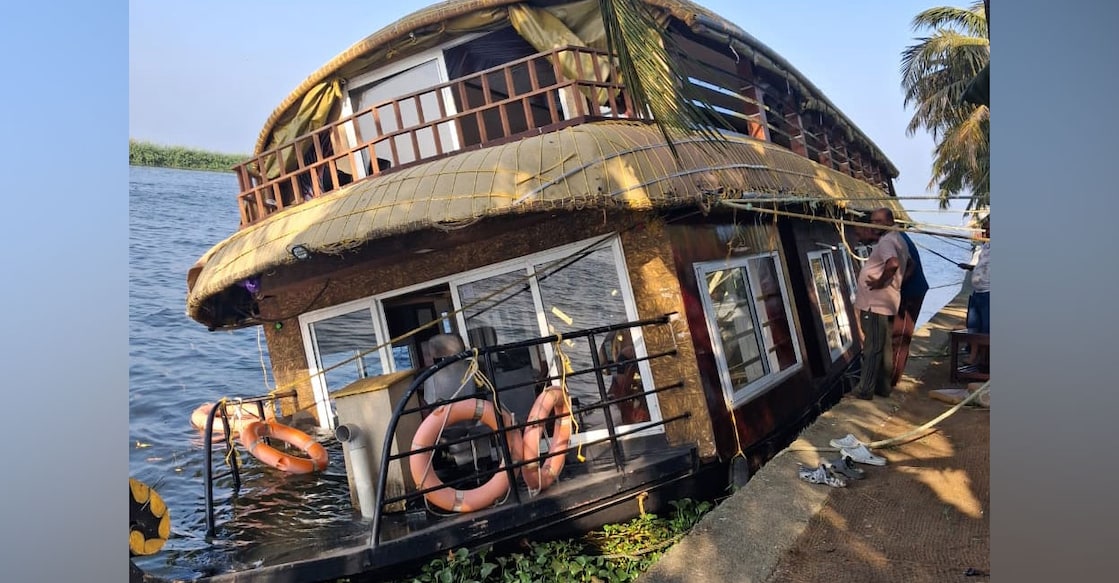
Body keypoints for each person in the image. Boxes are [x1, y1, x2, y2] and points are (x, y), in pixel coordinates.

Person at [852, 208, 909, 400]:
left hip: (875, 304)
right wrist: (895, 285)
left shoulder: (886, 242)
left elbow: (892, 264)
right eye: (873, 221)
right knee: (884, 347)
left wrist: (881, 282)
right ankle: (883, 388)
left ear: (888, 221)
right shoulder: (898, 239)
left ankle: (865, 389)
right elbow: (909, 266)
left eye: (878, 221)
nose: (874, 225)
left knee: (872, 347)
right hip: (888, 301)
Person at [891, 228, 929, 386]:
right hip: (907, 291)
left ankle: (892, 381)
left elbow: (910, 265)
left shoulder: (895, 239)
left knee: (900, 337)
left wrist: (895, 287)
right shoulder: (895, 235)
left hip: (911, 292)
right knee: (897, 336)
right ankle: (892, 375)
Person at [957, 216, 991, 366]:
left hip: (989, 293)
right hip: (977, 292)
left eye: (989, 229)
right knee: (973, 326)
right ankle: (973, 356)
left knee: (986, 328)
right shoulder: (985, 247)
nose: (986, 232)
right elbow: (982, 266)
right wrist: (969, 267)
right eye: (986, 229)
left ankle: (984, 360)